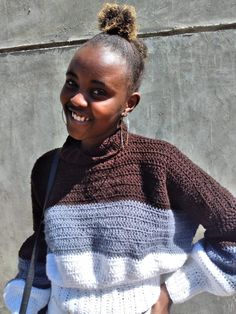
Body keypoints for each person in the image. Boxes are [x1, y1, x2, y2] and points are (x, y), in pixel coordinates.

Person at [3, 3, 236, 314]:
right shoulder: (47, 169)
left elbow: (231, 229)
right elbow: (43, 250)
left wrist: (172, 291)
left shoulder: (158, 162)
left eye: (98, 92)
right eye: (72, 82)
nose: (75, 99)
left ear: (129, 103)